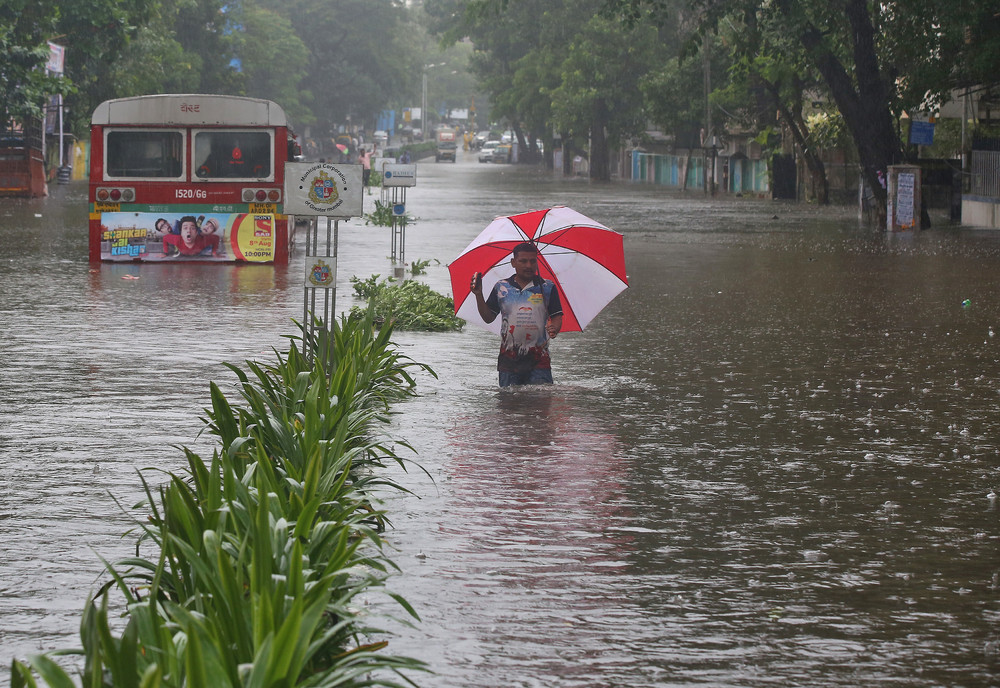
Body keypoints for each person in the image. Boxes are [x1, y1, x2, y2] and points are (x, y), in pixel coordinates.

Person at [470, 242, 563, 387]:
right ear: (513, 262)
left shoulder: (547, 287)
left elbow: (557, 315)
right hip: (508, 360)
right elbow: (488, 318)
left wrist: (555, 328)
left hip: (539, 360)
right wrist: (478, 295)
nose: (528, 265)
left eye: (533, 261)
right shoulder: (501, 287)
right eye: (523, 261)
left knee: (540, 404)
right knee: (509, 405)